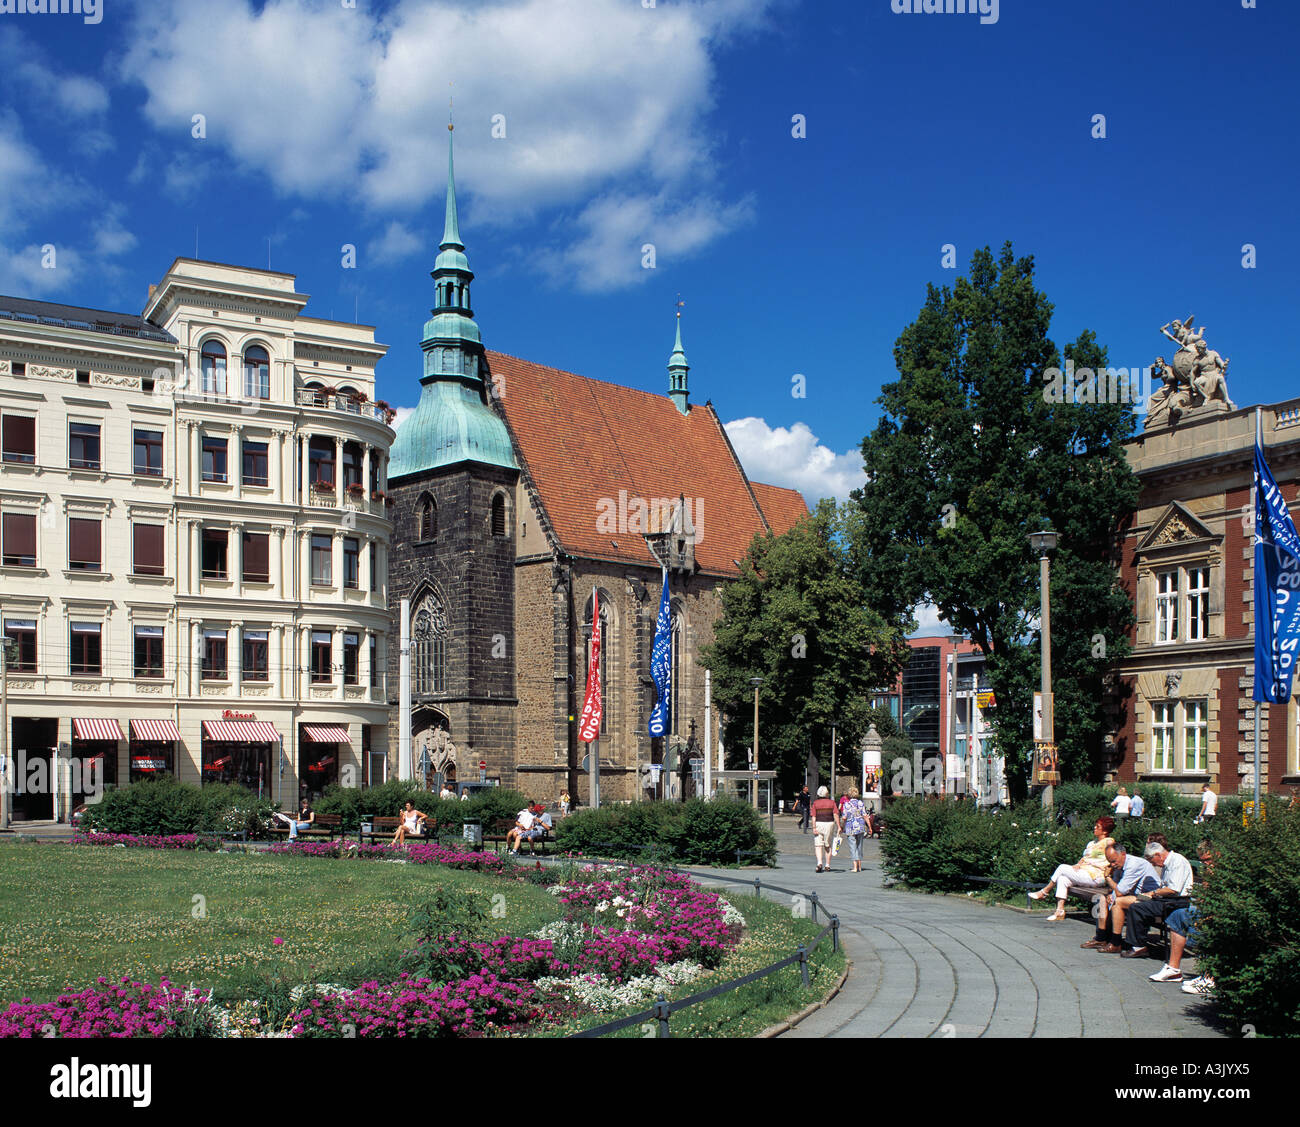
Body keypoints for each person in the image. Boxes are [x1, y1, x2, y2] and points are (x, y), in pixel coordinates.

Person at [1149, 843, 1215, 985]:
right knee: (1177, 915)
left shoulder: (1224, 870)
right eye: (1202, 861)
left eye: (1208, 859)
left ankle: (1209, 976)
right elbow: (1205, 897)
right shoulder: (1210, 872)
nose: (1206, 864)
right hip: (1205, 908)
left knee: (1198, 921)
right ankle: (1173, 969)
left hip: (1218, 913)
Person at [1029, 816, 1115, 921]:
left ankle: (1044, 892)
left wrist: (1109, 873)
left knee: (1062, 868)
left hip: (1097, 876)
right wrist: (1078, 864)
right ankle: (1059, 911)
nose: (1094, 828)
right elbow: (1085, 858)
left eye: (1098, 827)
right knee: (1063, 879)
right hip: (1085, 872)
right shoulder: (1092, 843)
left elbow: (1113, 858)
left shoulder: (1109, 842)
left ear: (1105, 831)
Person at [1119, 841, 1194, 958]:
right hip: (1169, 899)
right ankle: (1136, 943)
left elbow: (1173, 889)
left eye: (1152, 861)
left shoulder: (1177, 861)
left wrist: (1153, 893)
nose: (1153, 865)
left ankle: (1138, 946)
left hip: (1179, 901)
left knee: (1137, 908)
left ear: (1158, 855)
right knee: (1138, 903)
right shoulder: (1167, 863)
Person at [1086, 844, 1162, 952]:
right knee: (1101, 899)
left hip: (1149, 897)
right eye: (1110, 862)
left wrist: (1107, 877)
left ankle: (1116, 942)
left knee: (1118, 902)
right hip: (1133, 895)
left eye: (1114, 861)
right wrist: (1110, 894)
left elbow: (1120, 892)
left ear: (1123, 854)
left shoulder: (1134, 864)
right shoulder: (1119, 864)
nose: (1112, 865)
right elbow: (1116, 887)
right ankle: (1101, 938)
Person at [810, 786, 842, 873]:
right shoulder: (832, 803)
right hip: (829, 824)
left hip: (818, 824)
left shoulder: (815, 803)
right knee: (827, 845)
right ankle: (827, 865)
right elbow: (835, 814)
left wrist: (814, 827)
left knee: (818, 845)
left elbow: (813, 816)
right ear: (827, 793)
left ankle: (819, 863)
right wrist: (839, 826)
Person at [840, 786, 870, 874]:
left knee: (852, 846)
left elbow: (844, 817)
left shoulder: (847, 804)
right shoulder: (861, 803)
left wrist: (841, 827)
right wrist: (870, 826)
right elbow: (865, 815)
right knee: (859, 846)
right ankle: (859, 866)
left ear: (849, 794)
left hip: (850, 827)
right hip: (860, 826)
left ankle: (854, 866)